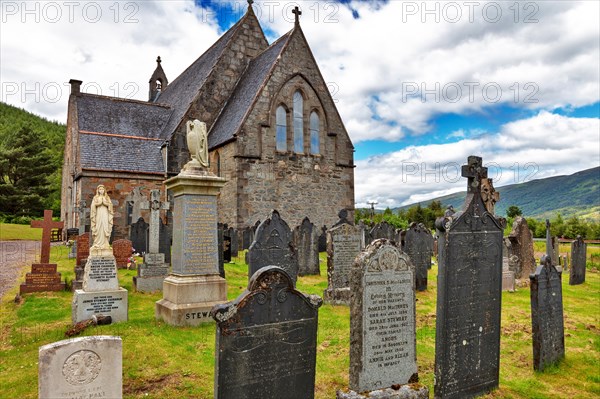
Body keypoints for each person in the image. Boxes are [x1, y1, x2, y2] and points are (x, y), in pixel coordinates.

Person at [90, 185, 114, 250]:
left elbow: (110, 206)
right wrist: (99, 203)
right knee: (98, 227)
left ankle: (106, 243)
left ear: (104, 190)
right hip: (98, 214)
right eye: (100, 189)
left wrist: (106, 204)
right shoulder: (95, 197)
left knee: (105, 226)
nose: (101, 191)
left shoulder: (107, 197)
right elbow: (92, 206)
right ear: (98, 190)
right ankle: (97, 243)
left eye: (102, 189)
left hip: (105, 214)